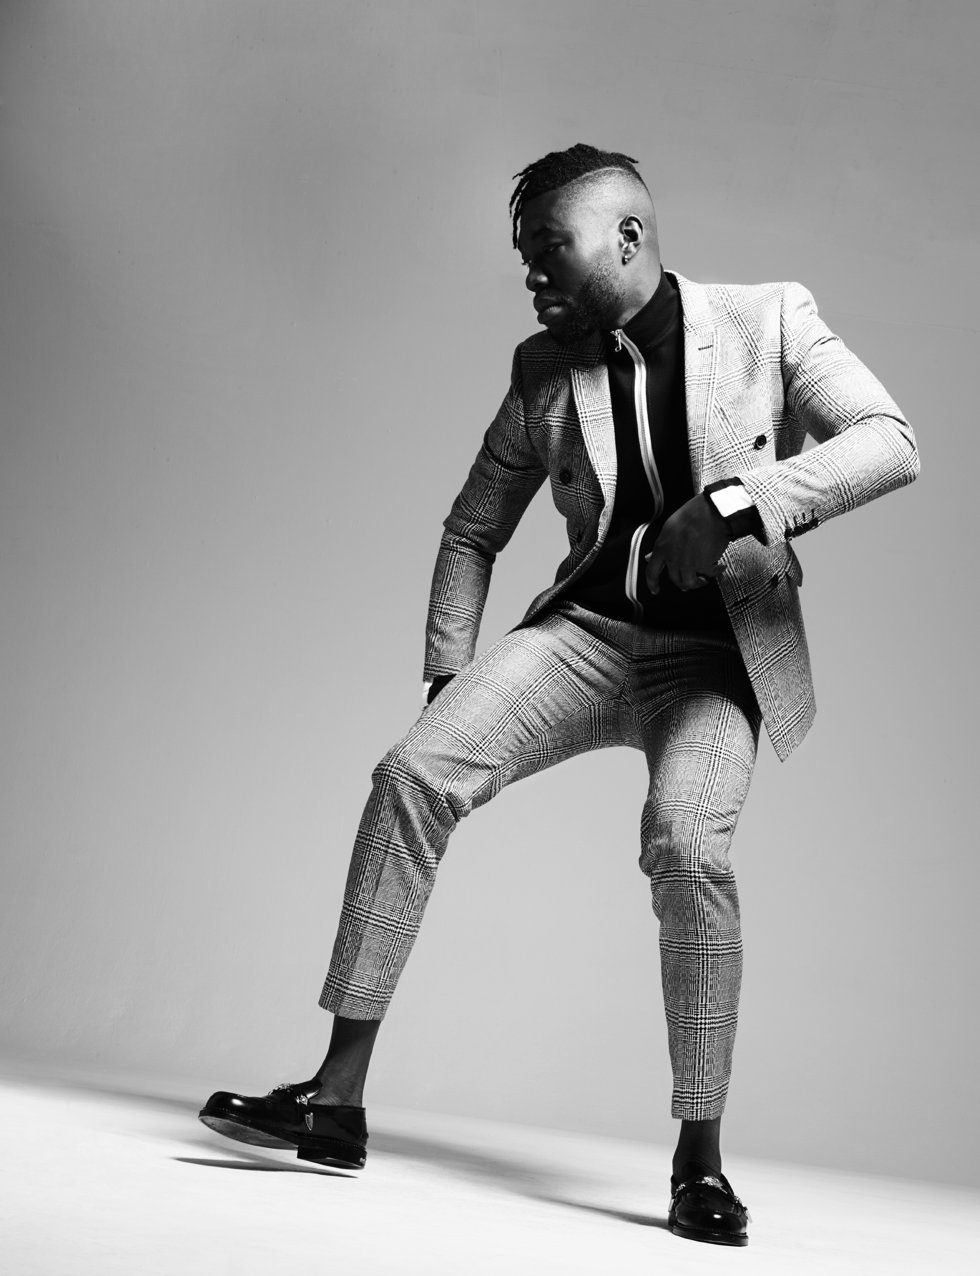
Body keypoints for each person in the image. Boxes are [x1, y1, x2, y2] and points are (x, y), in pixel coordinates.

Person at [199, 144, 920, 1247]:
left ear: (627, 237)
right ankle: (334, 1100)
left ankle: (698, 1162)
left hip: (714, 658)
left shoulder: (767, 319)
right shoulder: (544, 368)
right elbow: (471, 528)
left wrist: (736, 502)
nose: (532, 275)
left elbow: (889, 442)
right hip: (586, 636)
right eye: (523, 255)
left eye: (549, 249)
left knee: (688, 848)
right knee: (411, 773)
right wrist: (452, 680)